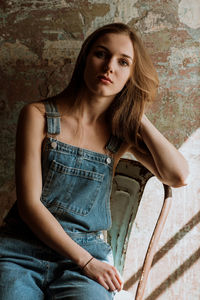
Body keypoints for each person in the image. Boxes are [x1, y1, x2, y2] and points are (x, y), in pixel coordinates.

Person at [0, 23, 189, 299]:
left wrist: (136, 113)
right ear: (86, 58)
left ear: (131, 76)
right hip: (20, 249)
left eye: (123, 62)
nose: (109, 67)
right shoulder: (37, 116)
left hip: (86, 258)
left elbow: (178, 176)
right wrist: (86, 262)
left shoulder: (119, 132)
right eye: (101, 54)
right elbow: (29, 206)